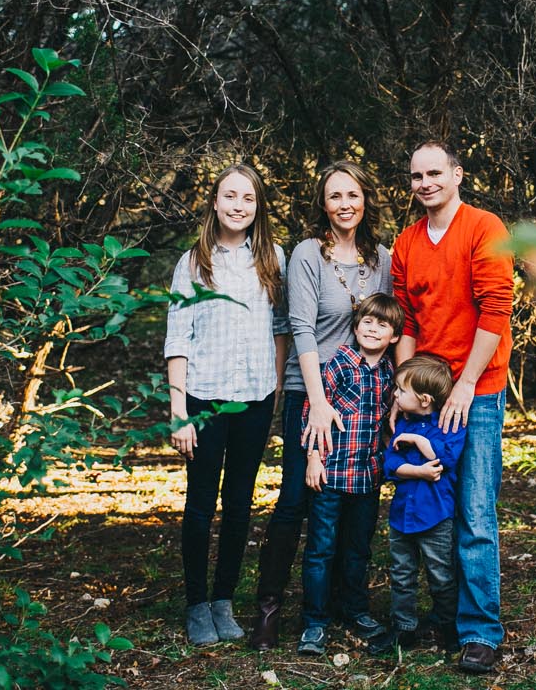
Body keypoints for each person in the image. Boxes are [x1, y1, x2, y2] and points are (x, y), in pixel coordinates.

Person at [248, 161, 392, 649]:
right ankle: (269, 608)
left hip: (363, 396)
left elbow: (390, 327)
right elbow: (301, 327)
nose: (345, 204)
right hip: (308, 392)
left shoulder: (383, 261)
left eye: (352, 194)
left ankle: (339, 606)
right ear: (323, 204)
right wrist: (318, 402)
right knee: (295, 501)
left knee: (352, 506)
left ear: (365, 199)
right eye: (334, 196)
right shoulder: (308, 253)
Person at [391, 140, 514, 674]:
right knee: (428, 495)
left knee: (475, 511)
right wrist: (405, 392)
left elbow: (496, 311)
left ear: (457, 174)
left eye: (435, 172)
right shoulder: (406, 243)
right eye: (417, 176)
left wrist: (463, 387)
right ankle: (442, 616)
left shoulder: (485, 229)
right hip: (424, 395)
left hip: (478, 390)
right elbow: (406, 323)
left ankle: (481, 631)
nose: (425, 183)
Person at [164, 163, 290, 647]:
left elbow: (279, 330)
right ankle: (197, 605)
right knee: (200, 506)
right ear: (214, 202)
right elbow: (178, 339)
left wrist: (274, 390)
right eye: (230, 196)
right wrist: (180, 414)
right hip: (205, 399)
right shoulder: (194, 262)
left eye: (249, 198)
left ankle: (223, 600)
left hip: (254, 401)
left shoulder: (272, 257)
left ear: (258, 207)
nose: (239, 206)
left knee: (239, 506)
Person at [296, 293, 403, 656]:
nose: (372, 329)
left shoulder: (390, 373)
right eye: (367, 322)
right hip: (330, 475)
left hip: (367, 479)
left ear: (394, 337)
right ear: (355, 326)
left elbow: (389, 418)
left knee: (357, 550)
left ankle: (354, 609)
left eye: (382, 325)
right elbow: (313, 413)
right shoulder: (339, 364)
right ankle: (314, 620)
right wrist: (313, 459)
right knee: (321, 550)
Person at [372, 354, 466, 654]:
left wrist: (420, 443)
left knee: (441, 575)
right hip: (402, 516)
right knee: (401, 574)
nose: (395, 395)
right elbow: (390, 465)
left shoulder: (449, 424)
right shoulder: (403, 424)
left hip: (435, 517)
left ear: (424, 399)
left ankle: (448, 627)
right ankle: (404, 628)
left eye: (401, 390)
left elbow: (446, 459)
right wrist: (418, 471)